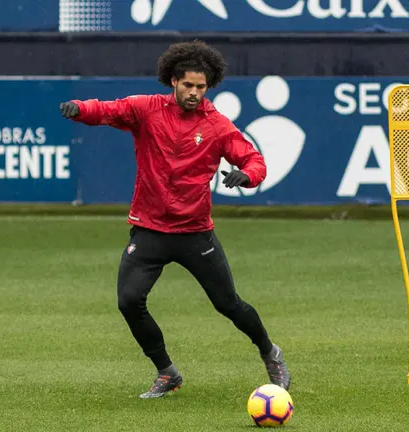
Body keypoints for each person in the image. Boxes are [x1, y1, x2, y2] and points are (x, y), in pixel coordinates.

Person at [59, 40, 291, 398]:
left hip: (195, 233)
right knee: (128, 301)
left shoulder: (216, 126)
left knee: (228, 304)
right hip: (149, 229)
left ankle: (270, 352)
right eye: (188, 85)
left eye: (201, 87)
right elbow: (106, 110)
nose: (194, 93)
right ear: (173, 81)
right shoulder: (146, 109)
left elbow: (252, 159)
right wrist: (80, 109)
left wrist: (248, 175)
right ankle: (167, 372)